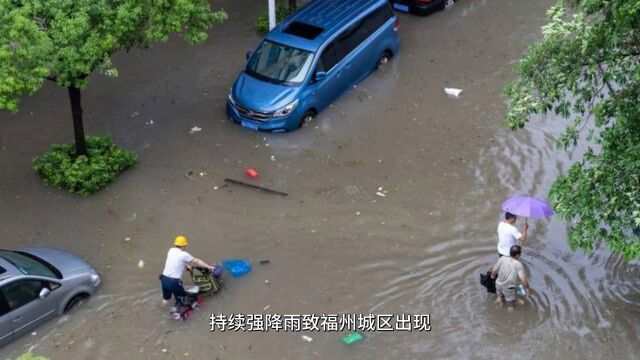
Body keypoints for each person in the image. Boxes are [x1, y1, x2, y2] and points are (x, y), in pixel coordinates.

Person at [160, 235, 215, 305]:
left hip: (163, 279)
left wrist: (186, 266)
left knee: (166, 298)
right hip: (173, 282)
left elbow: (175, 261)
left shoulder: (170, 250)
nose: (185, 247)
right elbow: (197, 261)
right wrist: (209, 267)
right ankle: (179, 312)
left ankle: (163, 307)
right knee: (182, 299)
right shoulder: (184, 254)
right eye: (185, 245)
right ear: (182, 246)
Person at [491, 245, 530, 312]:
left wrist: (492, 276)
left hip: (498, 285)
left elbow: (494, 270)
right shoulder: (518, 264)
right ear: (517, 255)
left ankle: (492, 307)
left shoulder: (502, 258)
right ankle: (508, 319)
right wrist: (527, 288)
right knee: (510, 306)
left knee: (499, 297)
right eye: (520, 254)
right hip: (509, 289)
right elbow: (523, 280)